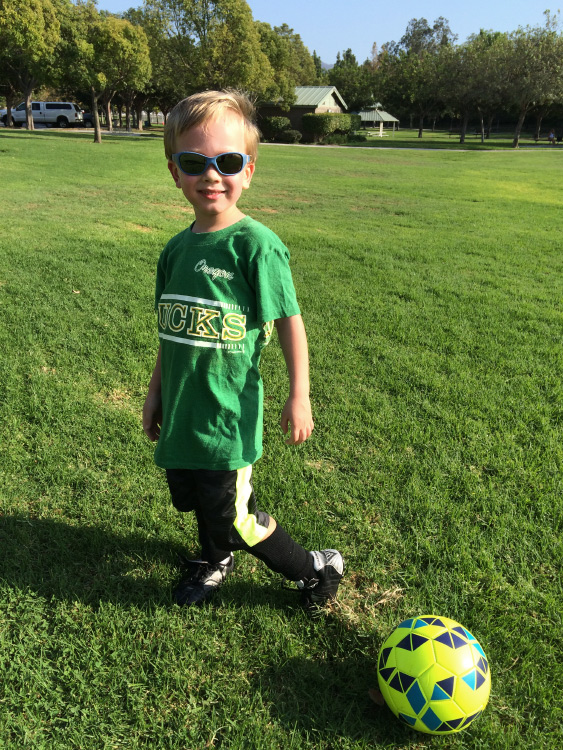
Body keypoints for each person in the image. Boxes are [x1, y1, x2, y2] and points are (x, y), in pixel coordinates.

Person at [142, 90, 344, 612]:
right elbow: (171, 334)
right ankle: (216, 559)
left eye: (227, 162)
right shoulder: (175, 251)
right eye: (194, 163)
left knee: (235, 516)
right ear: (175, 172)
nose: (211, 175)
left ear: (248, 171)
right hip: (185, 413)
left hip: (227, 417)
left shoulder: (256, 245)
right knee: (197, 499)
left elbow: (290, 323)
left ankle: (316, 569)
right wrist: (155, 392)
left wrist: (299, 395)